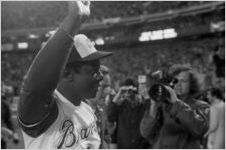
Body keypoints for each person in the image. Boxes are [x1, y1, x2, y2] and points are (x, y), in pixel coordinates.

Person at [17, 1, 112, 149]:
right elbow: (35, 86)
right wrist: (73, 21)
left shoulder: (87, 107)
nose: (100, 76)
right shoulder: (42, 110)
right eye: (93, 71)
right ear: (68, 74)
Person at [140, 64, 209, 148]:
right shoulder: (162, 105)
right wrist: (153, 107)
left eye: (183, 81)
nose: (178, 84)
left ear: (191, 84)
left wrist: (176, 102)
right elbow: (146, 133)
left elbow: (199, 129)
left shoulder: (201, 106)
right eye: (175, 81)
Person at [107, 78, 150, 149]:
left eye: (130, 89)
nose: (128, 92)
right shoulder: (121, 106)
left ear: (135, 90)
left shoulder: (142, 105)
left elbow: (150, 115)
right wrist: (119, 94)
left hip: (141, 146)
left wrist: (145, 95)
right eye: (125, 90)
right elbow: (110, 117)